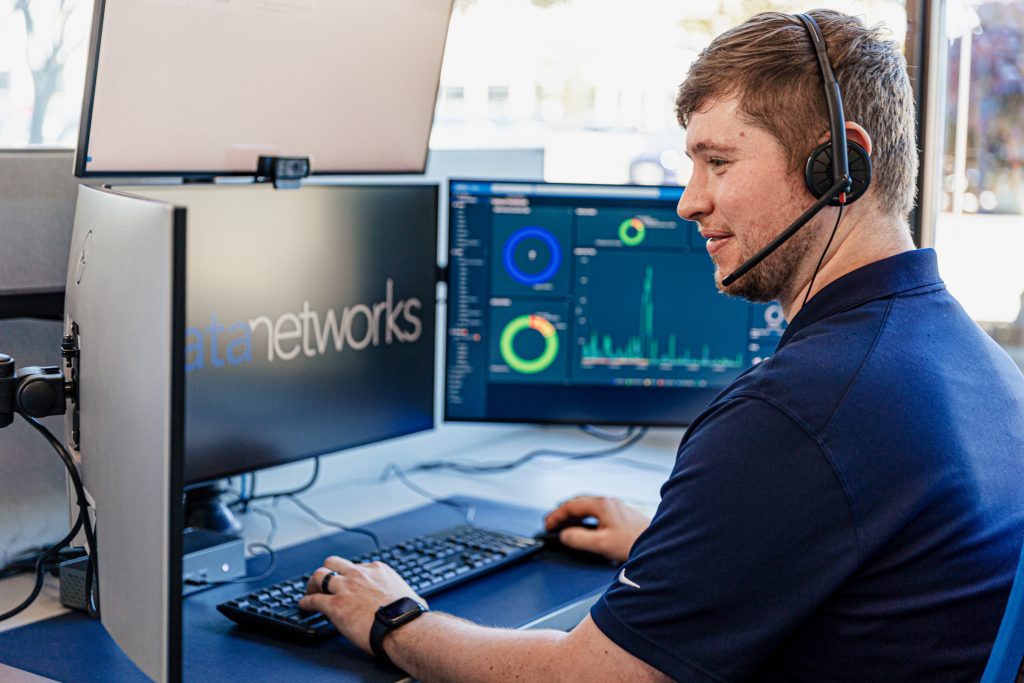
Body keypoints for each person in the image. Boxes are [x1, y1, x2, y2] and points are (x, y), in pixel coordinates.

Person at [300, 10, 1024, 681]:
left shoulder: (797, 413)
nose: (688, 199)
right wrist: (684, 545)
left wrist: (393, 617)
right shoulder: (976, 361)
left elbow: (590, 676)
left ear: (840, 167)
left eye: (718, 162)